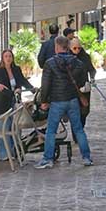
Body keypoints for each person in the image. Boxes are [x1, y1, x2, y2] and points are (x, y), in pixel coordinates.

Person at [36, 35, 92, 168]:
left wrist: (44, 100)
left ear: (56, 47)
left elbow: (46, 84)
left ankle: (48, 158)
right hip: (72, 99)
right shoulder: (76, 62)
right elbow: (81, 78)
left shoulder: (50, 63)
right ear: (67, 47)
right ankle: (86, 157)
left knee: (51, 131)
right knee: (78, 129)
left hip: (57, 101)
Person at [0, 49, 35, 161]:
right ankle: (4, 154)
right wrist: (13, 92)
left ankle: (15, 151)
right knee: (3, 129)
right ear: (2, 58)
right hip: (2, 103)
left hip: (14, 102)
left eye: (10, 56)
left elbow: (22, 81)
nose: (8, 58)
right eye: (6, 56)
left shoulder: (16, 69)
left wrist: (33, 90)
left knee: (16, 128)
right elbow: (2, 87)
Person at [69, 36, 96, 127]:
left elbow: (92, 69)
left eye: (79, 48)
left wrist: (92, 78)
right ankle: (77, 134)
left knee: (84, 111)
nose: (77, 50)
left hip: (84, 87)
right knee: (74, 113)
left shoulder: (85, 57)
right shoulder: (67, 57)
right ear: (70, 47)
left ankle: (80, 128)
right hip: (72, 88)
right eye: (74, 48)